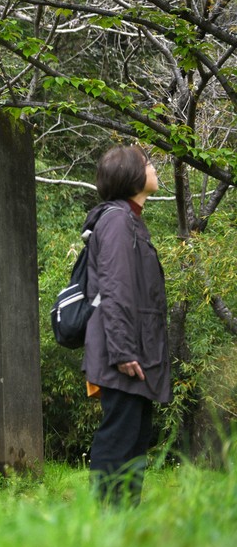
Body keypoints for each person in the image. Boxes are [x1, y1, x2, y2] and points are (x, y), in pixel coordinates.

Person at [83, 145, 171, 507]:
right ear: (133, 175)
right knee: (119, 439)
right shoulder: (118, 220)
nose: (153, 168)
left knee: (134, 441)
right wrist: (121, 351)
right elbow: (115, 288)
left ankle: (124, 526)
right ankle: (104, 526)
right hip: (123, 354)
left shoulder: (130, 218)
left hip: (135, 353)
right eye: (148, 163)